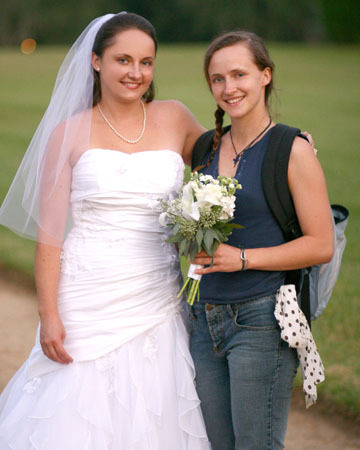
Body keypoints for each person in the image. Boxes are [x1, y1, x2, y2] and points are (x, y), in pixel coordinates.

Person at [0, 12, 211, 449]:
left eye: (146, 62)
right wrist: (49, 314)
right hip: (86, 293)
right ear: (96, 62)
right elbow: (50, 235)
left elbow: (234, 157)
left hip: (156, 292)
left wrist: (287, 143)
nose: (136, 73)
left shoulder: (175, 118)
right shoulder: (69, 132)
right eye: (123, 60)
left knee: (156, 403)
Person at [189, 31, 334, 450]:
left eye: (240, 74)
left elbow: (321, 243)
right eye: (218, 79)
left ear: (265, 75)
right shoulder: (205, 147)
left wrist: (245, 258)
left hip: (261, 321)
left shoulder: (291, 148)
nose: (229, 88)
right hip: (204, 319)